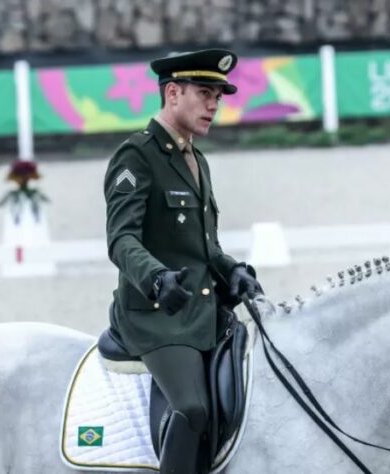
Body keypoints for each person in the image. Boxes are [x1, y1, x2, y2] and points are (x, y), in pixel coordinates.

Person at [103, 49, 263, 473]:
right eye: (205, 93)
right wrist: (155, 279)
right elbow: (121, 239)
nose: (214, 104)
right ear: (173, 93)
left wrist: (234, 270)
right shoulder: (136, 156)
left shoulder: (196, 159)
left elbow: (202, 247)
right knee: (193, 409)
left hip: (201, 308)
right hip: (157, 315)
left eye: (219, 96)